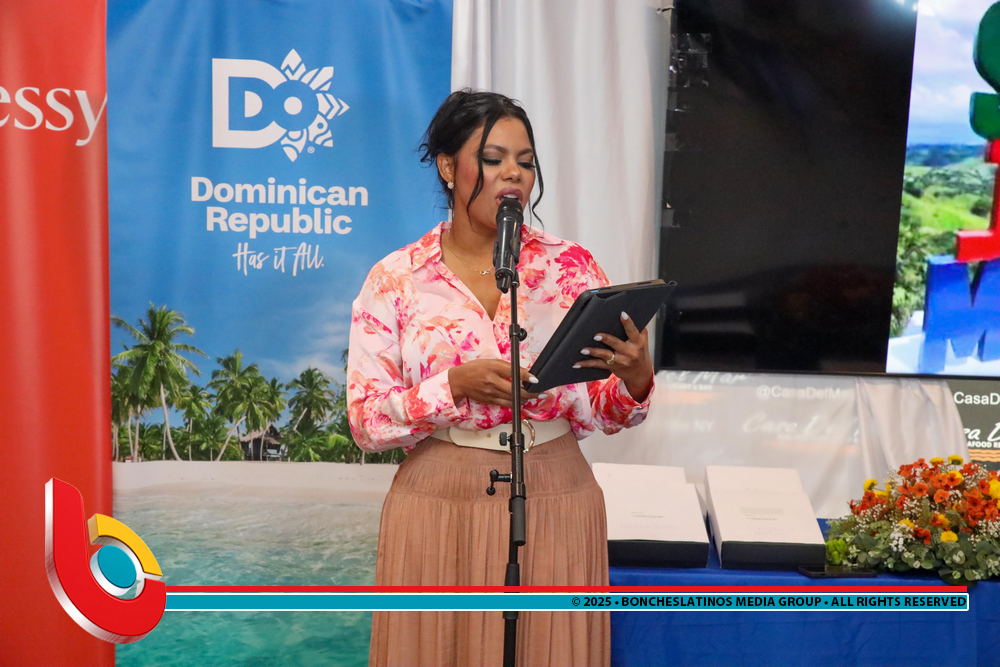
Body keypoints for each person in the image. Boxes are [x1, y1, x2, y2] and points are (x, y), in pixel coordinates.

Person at [347, 89, 654, 667]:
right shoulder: (396, 278)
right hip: (439, 499)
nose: (514, 173)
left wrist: (635, 379)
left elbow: (604, 411)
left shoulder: (570, 267)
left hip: (555, 492)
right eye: (493, 158)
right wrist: (453, 387)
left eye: (526, 161)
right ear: (448, 167)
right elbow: (366, 423)